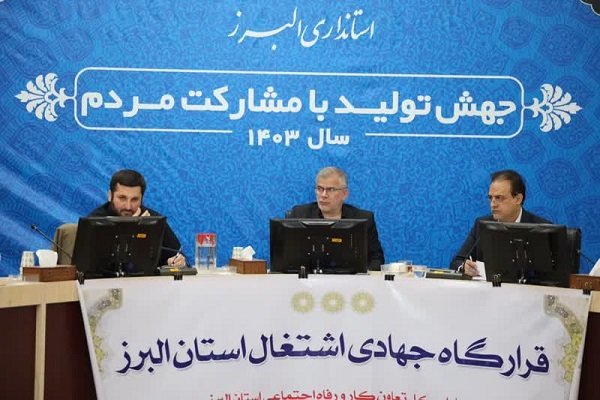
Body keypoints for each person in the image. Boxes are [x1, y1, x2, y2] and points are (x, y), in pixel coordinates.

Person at [450, 169, 550, 277]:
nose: (493, 204)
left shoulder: (543, 229)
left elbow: (552, 274)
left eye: (499, 198)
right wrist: (464, 266)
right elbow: (457, 261)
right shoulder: (481, 225)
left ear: (518, 199)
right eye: (490, 198)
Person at [287, 166, 385, 270]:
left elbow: (376, 259)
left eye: (330, 189)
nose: (323, 195)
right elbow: (286, 257)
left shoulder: (363, 219)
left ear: (345, 194)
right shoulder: (299, 215)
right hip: (310, 278)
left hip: (351, 279)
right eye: (320, 189)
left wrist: (362, 274)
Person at [88, 169, 187, 267]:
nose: (128, 206)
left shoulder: (153, 220)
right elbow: (93, 265)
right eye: (122, 198)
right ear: (110, 196)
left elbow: (177, 255)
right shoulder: (95, 221)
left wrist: (175, 262)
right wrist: (131, 229)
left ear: (142, 199)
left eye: (134, 199)